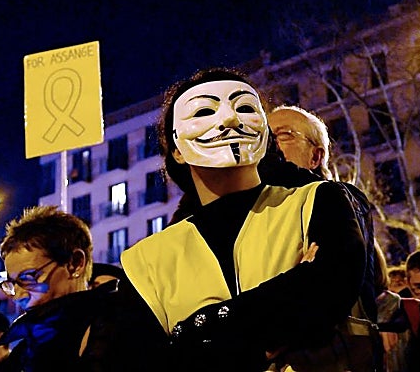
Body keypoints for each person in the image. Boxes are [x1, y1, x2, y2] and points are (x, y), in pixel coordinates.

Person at [119, 66, 369, 371]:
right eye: (204, 111)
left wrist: (193, 331)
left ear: (264, 134)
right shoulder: (145, 262)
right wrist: (284, 303)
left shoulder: (319, 201)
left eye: (245, 108)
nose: (228, 119)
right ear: (176, 151)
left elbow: (328, 289)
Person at [269, 103, 389, 371]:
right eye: (266, 136)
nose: (271, 146)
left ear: (315, 156)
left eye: (283, 135)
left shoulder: (340, 199)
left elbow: (326, 283)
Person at [0, 205, 161, 370]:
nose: (18, 295)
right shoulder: (22, 354)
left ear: (75, 264)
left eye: (28, 277)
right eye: (11, 284)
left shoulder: (123, 327)